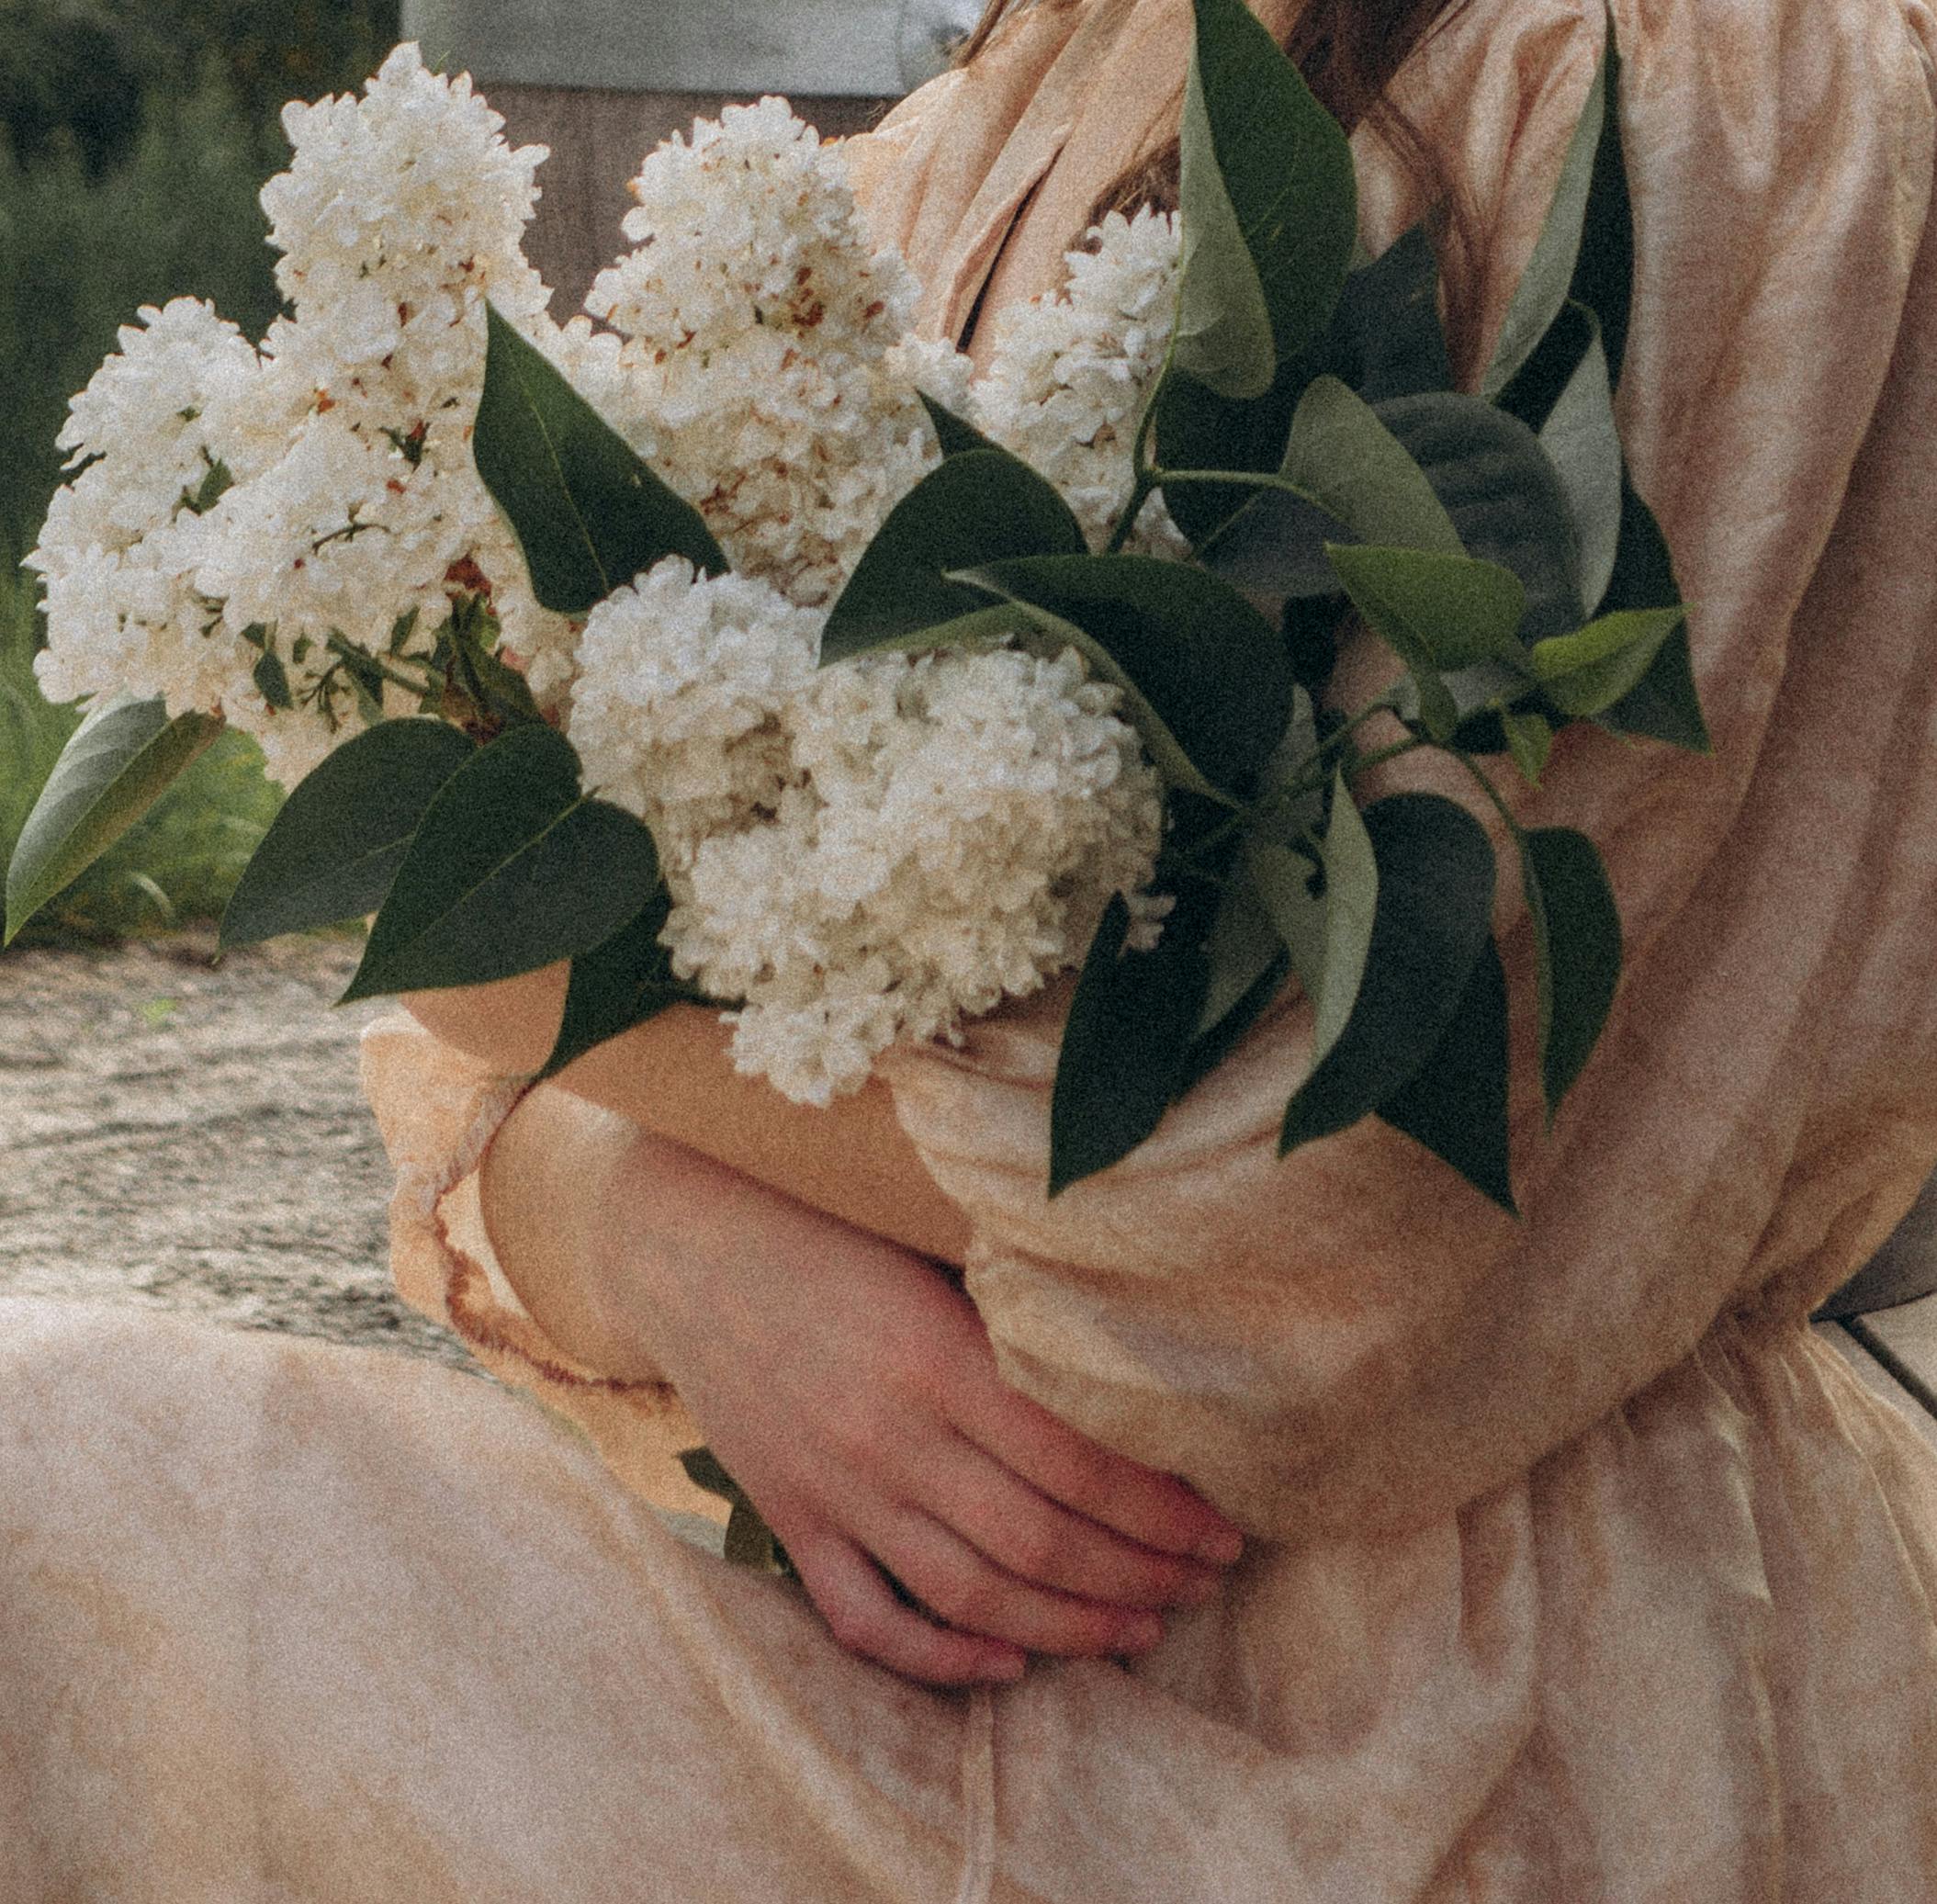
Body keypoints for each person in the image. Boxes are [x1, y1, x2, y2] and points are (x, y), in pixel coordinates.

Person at [5, 0, 1937, 1895]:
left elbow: (1374, 1181)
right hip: (888, 1598)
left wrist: (521, 1002)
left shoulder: (1698, 74)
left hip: (1422, 1688)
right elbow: (521, 1023)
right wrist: (651, 1227)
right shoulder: (1015, 95)